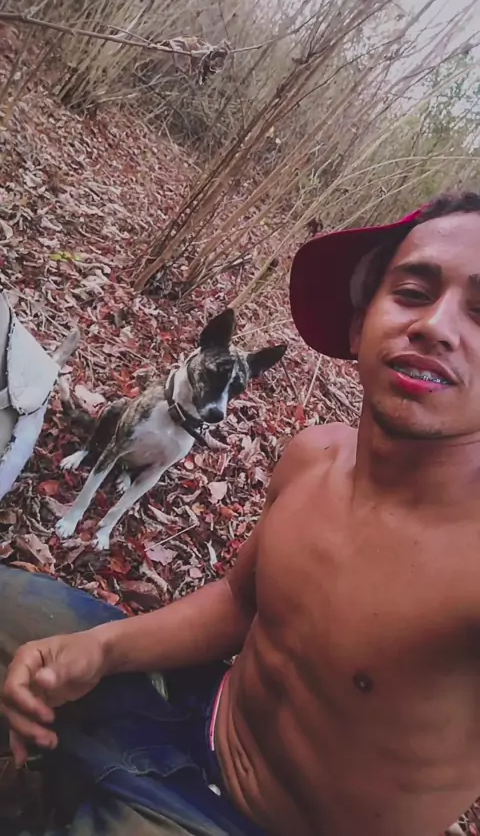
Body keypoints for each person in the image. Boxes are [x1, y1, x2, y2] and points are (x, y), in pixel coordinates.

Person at [2, 191, 480, 836]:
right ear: (358, 324)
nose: (437, 325)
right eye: (413, 292)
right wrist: (102, 648)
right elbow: (238, 602)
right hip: (193, 710)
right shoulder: (314, 456)